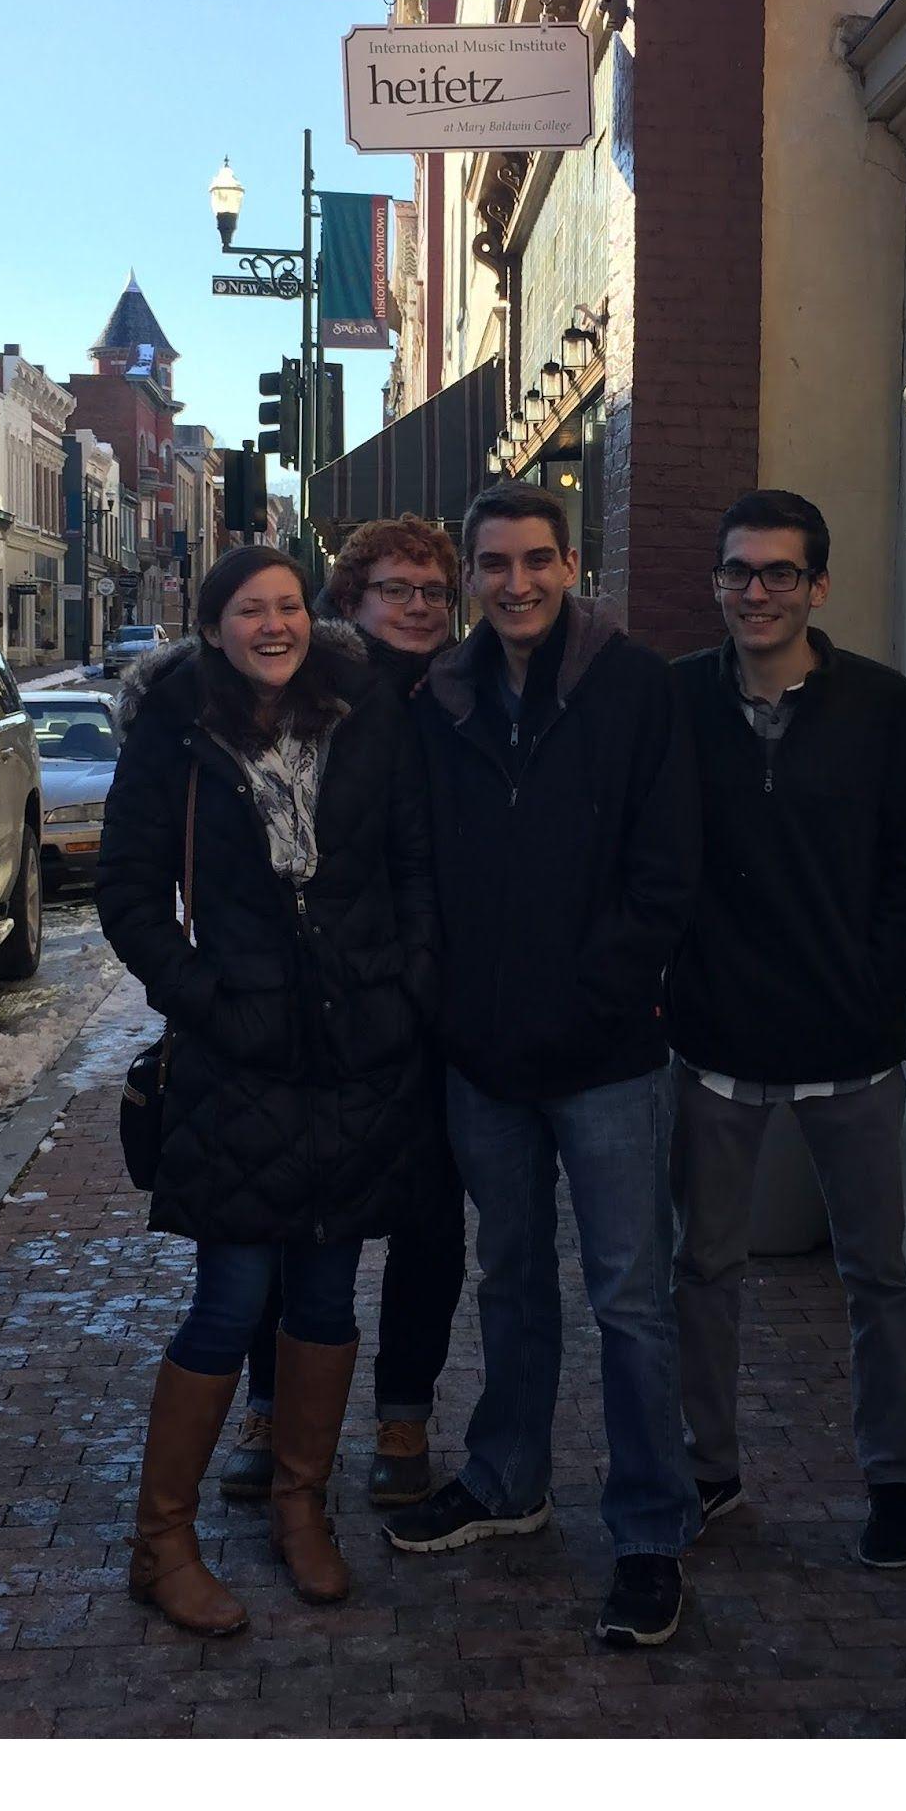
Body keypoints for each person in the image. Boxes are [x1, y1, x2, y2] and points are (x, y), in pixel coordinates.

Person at [94, 543, 437, 1634]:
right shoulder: (176, 727)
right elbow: (127, 892)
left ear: (314, 615)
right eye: (251, 609)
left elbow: (413, 864)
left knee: (329, 1296)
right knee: (231, 1297)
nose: (274, 624)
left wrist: (404, 987)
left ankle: (302, 1509)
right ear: (212, 625)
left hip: (353, 1050)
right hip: (238, 1061)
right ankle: (163, 1540)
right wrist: (206, 998)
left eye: (288, 604)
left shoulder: (364, 709)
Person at [387, 486, 703, 1649]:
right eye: (490, 564)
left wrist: (591, 998)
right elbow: (424, 870)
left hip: (608, 1054)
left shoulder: (637, 688)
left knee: (630, 1296)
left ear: (570, 565)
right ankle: (508, 1475)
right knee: (508, 1278)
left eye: (533, 560)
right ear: (470, 576)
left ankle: (648, 1530)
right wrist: (455, 1004)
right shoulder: (444, 696)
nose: (512, 582)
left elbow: (667, 872)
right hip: (484, 1056)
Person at [663, 490, 906, 1569]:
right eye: (737, 571)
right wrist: (672, 984)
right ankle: (708, 1466)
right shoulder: (677, 700)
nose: (755, 591)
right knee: (702, 1269)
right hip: (713, 1042)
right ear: (717, 586)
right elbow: (651, 857)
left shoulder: (882, 705)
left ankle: (891, 1477)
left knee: (874, 1273)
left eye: (778, 572)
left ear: (816, 586)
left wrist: (877, 985)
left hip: (852, 1044)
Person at [226, 514, 468, 1510]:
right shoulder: (300, 698)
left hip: (441, 1001)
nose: (417, 607)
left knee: (428, 1220)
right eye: (393, 589)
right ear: (350, 600)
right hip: (316, 1000)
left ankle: (403, 1414)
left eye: (430, 591)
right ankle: (267, 1409)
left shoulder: (469, 695)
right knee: (295, 1205)